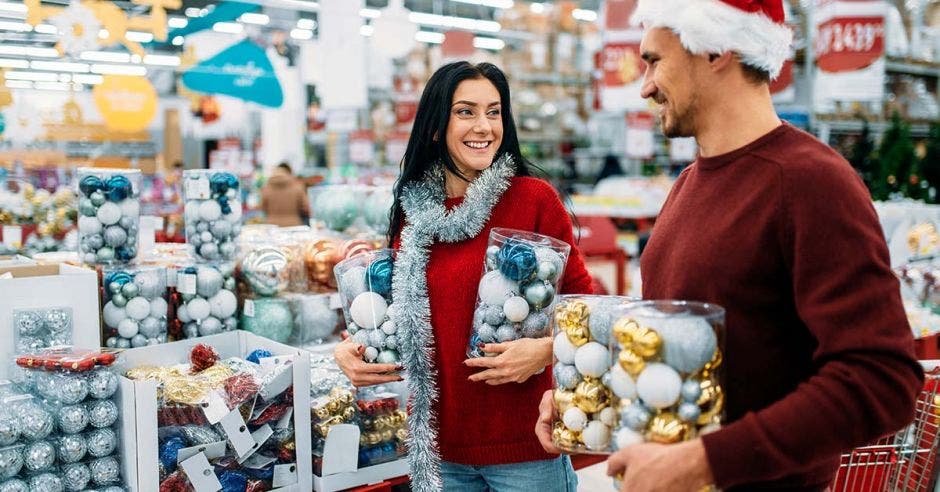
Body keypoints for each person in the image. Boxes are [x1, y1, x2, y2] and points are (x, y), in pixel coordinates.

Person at [535, 1, 924, 491]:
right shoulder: (689, 183)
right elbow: (697, 352)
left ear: (717, 48)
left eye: (655, 60)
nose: (645, 85)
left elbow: (882, 380)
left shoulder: (810, 182)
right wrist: (593, 396)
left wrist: (706, 461)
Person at [334, 61, 593, 491]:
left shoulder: (534, 200)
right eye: (466, 111)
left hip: (525, 449)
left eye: (494, 112)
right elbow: (394, 318)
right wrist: (352, 351)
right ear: (436, 127)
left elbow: (587, 307)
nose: (484, 126)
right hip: (438, 453)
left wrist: (546, 350)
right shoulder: (413, 218)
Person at [260, 162, 310, 227]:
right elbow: (306, 207)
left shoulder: (266, 187)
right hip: (294, 225)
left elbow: (262, 207)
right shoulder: (298, 186)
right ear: (289, 172)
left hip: (272, 226)